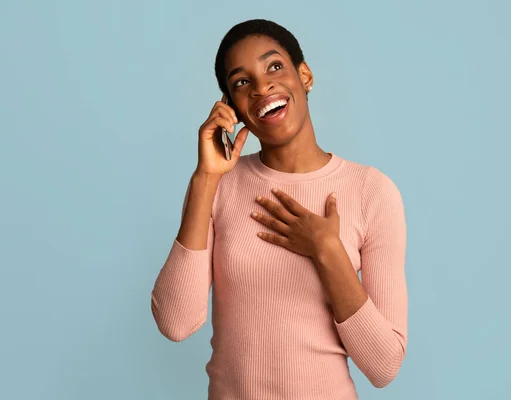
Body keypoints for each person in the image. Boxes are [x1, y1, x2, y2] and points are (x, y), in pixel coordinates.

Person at [151, 18, 408, 399]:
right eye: (241, 82)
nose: (261, 87)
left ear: (304, 75)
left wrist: (327, 251)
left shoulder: (371, 191)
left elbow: (384, 365)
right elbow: (175, 322)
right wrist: (205, 178)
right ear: (230, 107)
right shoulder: (215, 185)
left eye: (274, 67)